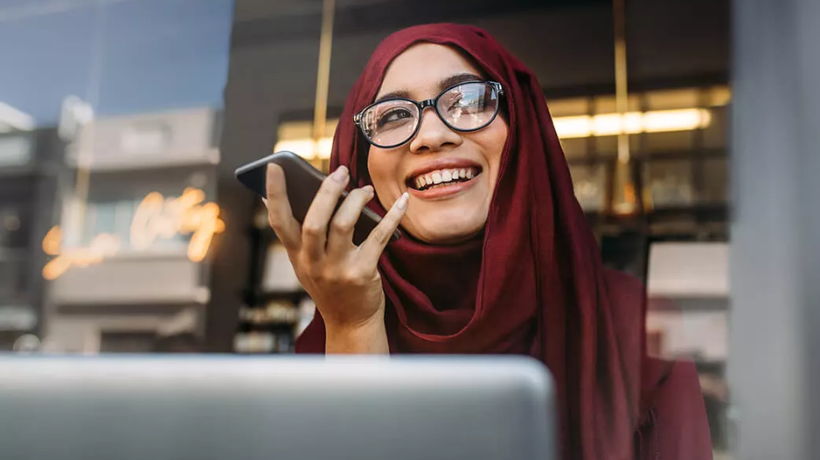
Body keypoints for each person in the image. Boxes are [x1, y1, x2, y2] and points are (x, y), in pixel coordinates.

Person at [264, 24, 712, 460]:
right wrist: (353, 328)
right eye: (394, 115)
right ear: (360, 162)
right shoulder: (325, 343)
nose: (432, 135)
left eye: (469, 100)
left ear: (521, 130)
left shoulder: (632, 327)